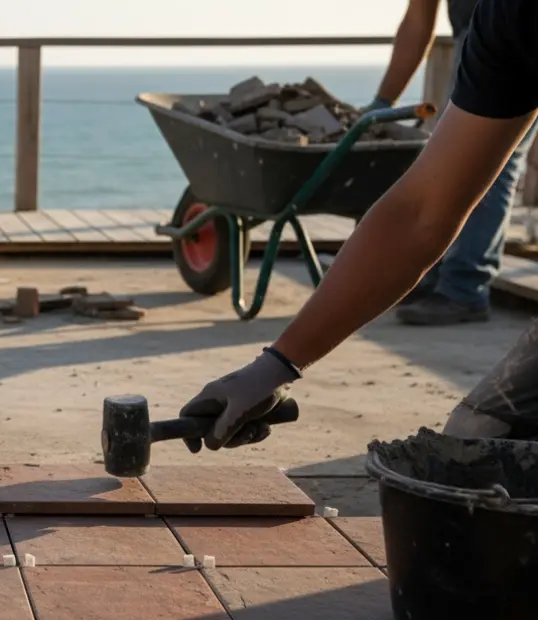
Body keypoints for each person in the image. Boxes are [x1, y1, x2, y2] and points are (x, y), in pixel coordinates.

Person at [180, 0, 538, 451]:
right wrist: (274, 367)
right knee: (482, 441)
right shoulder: (509, 17)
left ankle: (463, 284)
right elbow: (419, 212)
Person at [367, 0, 537, 326]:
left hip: (514, 32)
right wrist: (384, 100)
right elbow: (419, 18)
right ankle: (434, 276)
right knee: (450, 161)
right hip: (475, 38)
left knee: (487, 164)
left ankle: (463, 288)